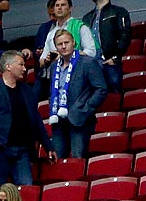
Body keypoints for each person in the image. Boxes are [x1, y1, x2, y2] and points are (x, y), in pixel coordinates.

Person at [0, 51, 50, 189]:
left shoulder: (27, 90)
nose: (25, 68)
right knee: (0, 190)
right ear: (8, 66)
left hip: (22, 149)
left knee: (26, 188)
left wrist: (48, 145)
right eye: (21, 64)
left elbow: (36, 119)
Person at [45, 29, 109, 160]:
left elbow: (101, 89)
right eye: (59, 44)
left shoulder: (87, 62)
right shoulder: (53, 66)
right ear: (55, 47)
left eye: (66, 42)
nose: (63, 46)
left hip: (80, 119)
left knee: (77, 158)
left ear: (74, 42)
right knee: (57, 160)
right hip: (59, 120)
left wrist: (86, 108)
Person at [84, 0, 131, 94]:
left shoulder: (118, 12)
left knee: (114, 94)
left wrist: (115, 57)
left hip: (110, 61)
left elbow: (125, 35)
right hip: (92, 63)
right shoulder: (87, 17)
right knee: (92, 96)